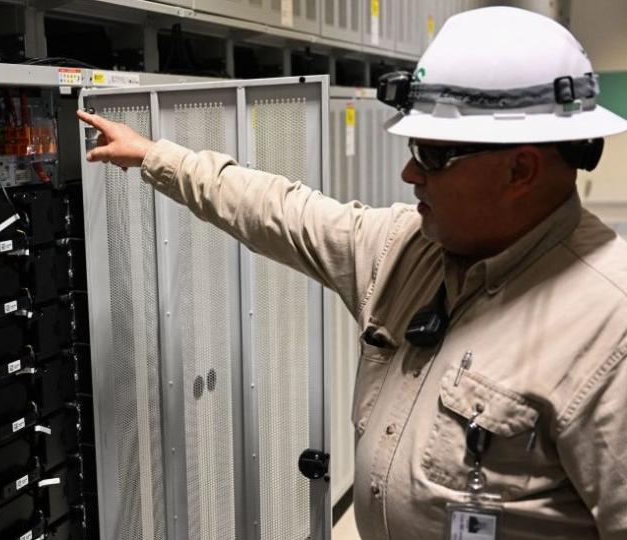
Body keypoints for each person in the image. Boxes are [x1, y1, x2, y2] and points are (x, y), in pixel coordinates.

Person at [77, 6, 627, 540]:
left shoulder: (609, 329)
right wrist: (154, 155)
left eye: (433, 155)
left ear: (520, 169)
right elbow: (282, 211)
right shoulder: (408, 249)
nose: (410, 172)